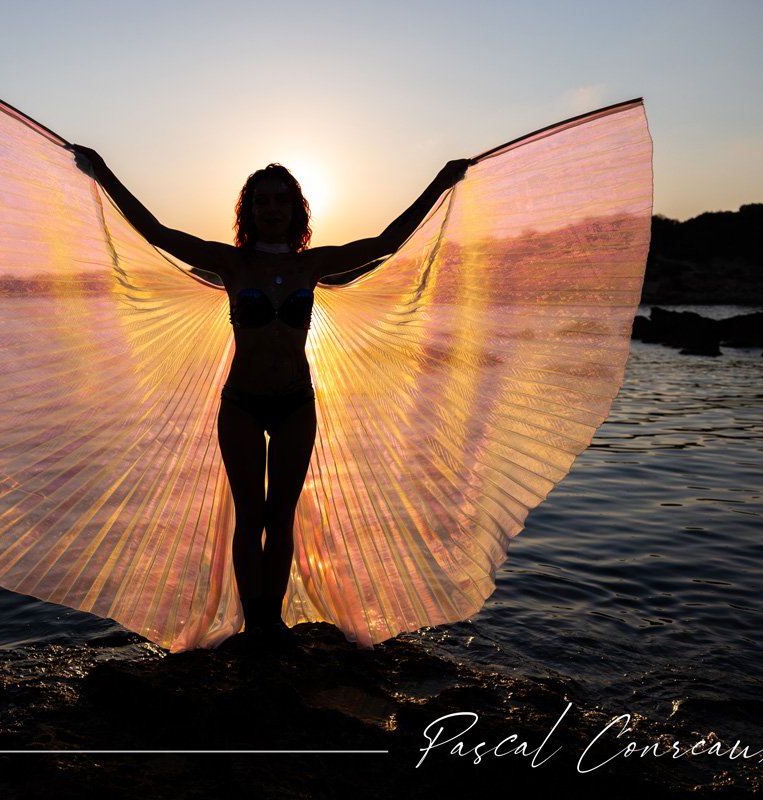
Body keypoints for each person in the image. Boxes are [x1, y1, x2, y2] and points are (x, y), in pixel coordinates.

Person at [70, 145, 470, 640]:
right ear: (250, 211)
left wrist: (441, 180)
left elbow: (386, 242)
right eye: (262, 201)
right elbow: (157, 234)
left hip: (296, 403)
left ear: (296, 210)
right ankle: (253, 619)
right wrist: (103, 169)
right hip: (241, 402)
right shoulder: (231, 264)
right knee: (249, 515)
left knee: (280, 517)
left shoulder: (312, 267)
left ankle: (272, 622)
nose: (272, 208)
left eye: (281, 200)